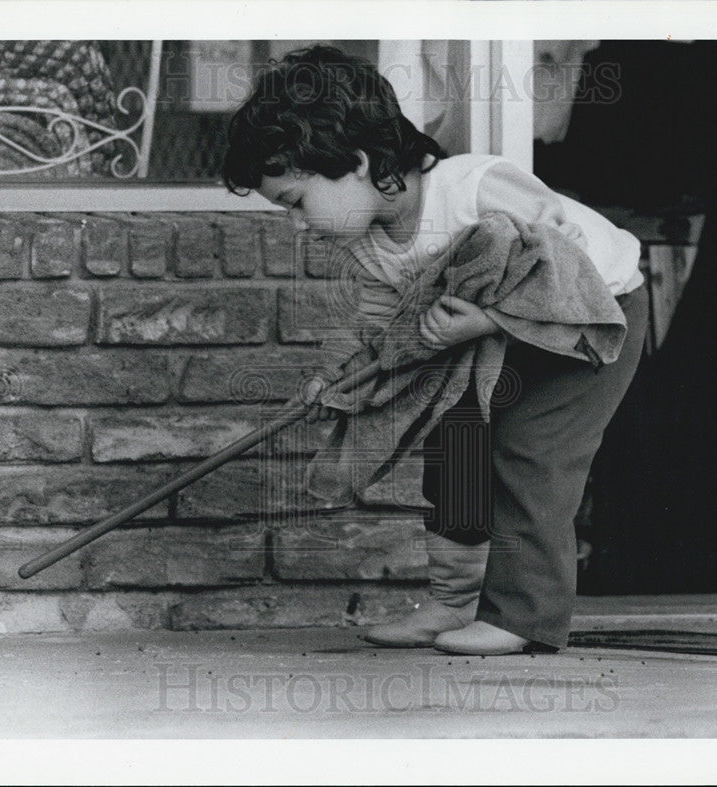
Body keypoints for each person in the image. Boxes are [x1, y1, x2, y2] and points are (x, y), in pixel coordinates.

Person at [222, 44, 648, 656]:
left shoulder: (471, 187)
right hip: (496, 335)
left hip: (590, 320)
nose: (298, 225)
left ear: (360, 163)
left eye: (296, 201)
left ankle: (524, 618)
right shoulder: (367, 244)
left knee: (530, 452)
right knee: (456, 445)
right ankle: (455, 603)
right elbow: (378, 328)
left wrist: (486, 318)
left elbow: (566, 261)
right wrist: (334, 379)